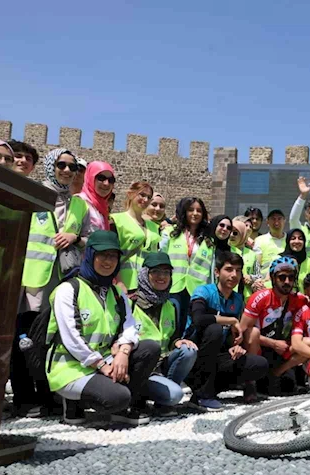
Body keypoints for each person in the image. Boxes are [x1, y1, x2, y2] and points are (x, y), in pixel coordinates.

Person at [46, 231, 160, 426]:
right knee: (117, 397)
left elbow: (130, 327)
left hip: (106, 360)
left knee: (150, 348)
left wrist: (124, 351)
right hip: (72, 368)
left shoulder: (116, 293)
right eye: (103, 255)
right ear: (90, 255)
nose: (108, 262)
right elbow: (71, 338)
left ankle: (119, 408)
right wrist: (101, 365)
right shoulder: (69, 290)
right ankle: (73, 403)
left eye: (113, 256)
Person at [13, 148, 79, 417]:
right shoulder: (33, 192)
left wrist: (75, 237)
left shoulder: (78, 203)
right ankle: (24, 398)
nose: (66, 170)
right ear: (51, 165)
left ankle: (48, 394)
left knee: (50, 338)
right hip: (33, 280)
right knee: (25, 339)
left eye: (71, 167)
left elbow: (87, 235)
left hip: (62, 280)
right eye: (61, 164)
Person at [183, 252, 268, 409]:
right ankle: (202, 395)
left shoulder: (237, 299)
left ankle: (213, 389)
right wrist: (231, 320)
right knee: (214, 330)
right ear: (217, 272)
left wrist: (235, 345)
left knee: (259, 364)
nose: (234, 275)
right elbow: (199, 319)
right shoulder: (203, 291)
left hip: (217, 356)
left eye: (238, 270)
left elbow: (230, 334)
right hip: (193, 356)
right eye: (228, 269)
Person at [131, 252, 198, 416]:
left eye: (166, 272)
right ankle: (137, 397)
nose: (162, 277)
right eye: (156, 272)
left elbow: (171, 337)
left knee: (189, 351)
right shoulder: (130, 303)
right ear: (145, 274)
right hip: (138, 369)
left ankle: (161, 401)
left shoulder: (170, 305)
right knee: (176, 395)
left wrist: (178, 342)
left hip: (160, 366)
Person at [240, 257, 310, 393]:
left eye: (291, 277)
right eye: (282, 277)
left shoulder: (299, 299)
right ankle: (250, 384)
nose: (287, 282)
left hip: (282, 350)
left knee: (309, 342)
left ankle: (277, 373)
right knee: (252, 333)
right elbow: (244, 331)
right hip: (260, 348)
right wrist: (273, 343)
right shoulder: (260, 297)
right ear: (272, 278)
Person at [159, 197, 214, 334]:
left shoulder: (208, 239)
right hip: (173, 286)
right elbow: (161, 256)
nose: (195, 213)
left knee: (191, 327)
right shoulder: (170, 232)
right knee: (172, 324)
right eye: (191, 210)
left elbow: (211, 269)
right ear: (184, 212)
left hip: (197, 289)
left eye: (199, 210)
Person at [110, 182, 160, 294]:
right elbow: (112, 254)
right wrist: (119, 281)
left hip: (149, 285)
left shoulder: (154, 227)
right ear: (130, 194)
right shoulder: (116, 220)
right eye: (142, 195)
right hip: (126, 282)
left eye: (149, 197)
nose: (145, 199)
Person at [63, 161, 116, 242]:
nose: (106, 183)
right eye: (101, 178)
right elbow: (68, 236)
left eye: (111, 180)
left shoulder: (101, 208)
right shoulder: (79, 202)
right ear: (90, 178)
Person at [229, 216, 262, 298]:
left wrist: (250, 278)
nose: (232, 235)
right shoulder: (225, 250)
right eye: (230, 232)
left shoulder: (252, 254)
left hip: (245, 297)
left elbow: (258, 275)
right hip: (227, 294)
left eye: (236, 233)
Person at [254, 209, 287, 277]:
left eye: (279, 219)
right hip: (266, 283)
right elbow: (256, 266)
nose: (276, 222)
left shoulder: (290, 240)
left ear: (284, 221)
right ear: (267, 222)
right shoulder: (259, 240)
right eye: (273, 219)